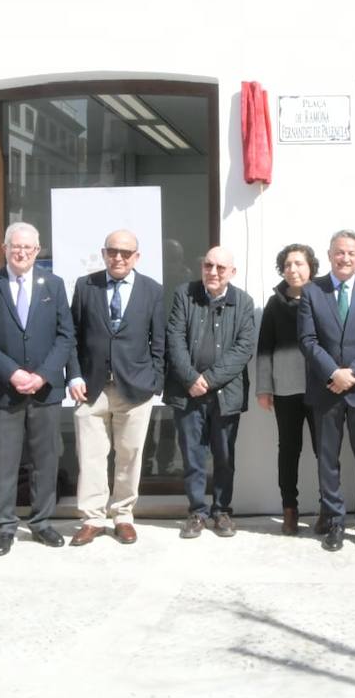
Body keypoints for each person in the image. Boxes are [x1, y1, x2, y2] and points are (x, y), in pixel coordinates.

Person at [0, 222, 74, 556]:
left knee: (46, 458)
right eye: (16, 247)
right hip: (4, 389)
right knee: (5, 460)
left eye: (29, 248)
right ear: (4, 248)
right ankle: (4, 525)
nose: (22, 253)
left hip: (45, 390)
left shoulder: (54, 285)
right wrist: (12, 372)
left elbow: (65, 336)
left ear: (38, 250)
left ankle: (42, 522)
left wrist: (43, 375)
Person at [65, 230, 166, 546]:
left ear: (137, 256)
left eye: (125, 252)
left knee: (129, 455)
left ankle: (123, 515)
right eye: (112, 251)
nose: (118, 257)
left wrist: (155, 382)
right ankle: (93, 518)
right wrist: (74, 375)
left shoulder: (152, 290)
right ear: (104, 253)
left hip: (135, 388)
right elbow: (72, 336)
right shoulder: (86, 286)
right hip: (91, 388)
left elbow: (159, 341)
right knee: (91, 457)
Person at [298, 229, 355, 551]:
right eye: (340, 252)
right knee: (328, 460)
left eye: (351, 253)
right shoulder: (312, 291)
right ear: (329, 255)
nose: (345, 258)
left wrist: (353, 373)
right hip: (326, 390)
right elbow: (307, 341)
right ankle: (335, 521)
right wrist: (333, 373)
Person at [164, 246, 256, 539]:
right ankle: (197, 512)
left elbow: (244, 347)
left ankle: (222, 511)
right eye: (208, 266)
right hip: (187, 391)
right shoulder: (184, 294)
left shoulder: (243, 302)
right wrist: (191, 378)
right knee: (192, 456)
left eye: (220, 268)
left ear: (232, 272)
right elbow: (174, 338)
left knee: (224, 456)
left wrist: (210, 379)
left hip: (225, 394)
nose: (213, 272)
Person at [257, 243, 320, 535]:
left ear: (311, 268)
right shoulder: (275, 304)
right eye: (288, 265)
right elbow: (264, 347)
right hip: (285, 389)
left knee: (325, 450)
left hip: (321, 387)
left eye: (299, 263)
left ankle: (328, 508)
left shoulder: (323, 296)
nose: (293, 269)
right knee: (289, 450)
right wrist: (264, 387)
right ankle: (289, 509)